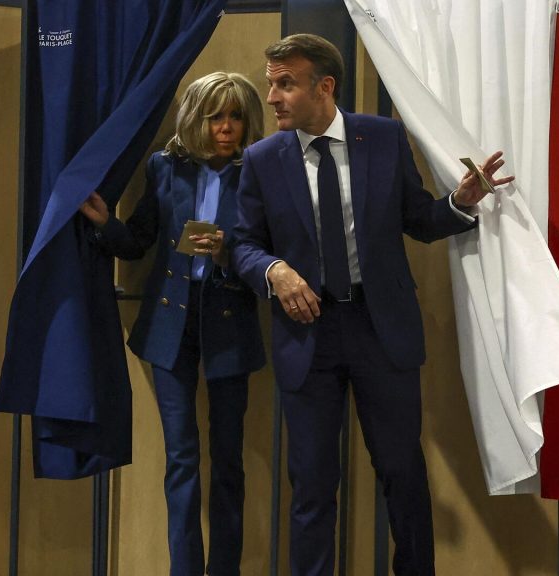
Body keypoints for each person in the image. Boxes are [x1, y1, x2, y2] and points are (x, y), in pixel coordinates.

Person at [230, 34, 514, 575]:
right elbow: (244, 243)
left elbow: (418, 219)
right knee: (312, 485)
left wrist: (459, 203)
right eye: (271, 83)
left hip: (380, 329)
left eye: (285, 84)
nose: (271, 97)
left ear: (325, 86)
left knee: (402, 474)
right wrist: (275, 270)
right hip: (307, 334)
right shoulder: (263, 159)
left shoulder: (382, 138)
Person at [79, 71, 267, 576]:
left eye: (235, 116)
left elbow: (274, 251)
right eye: (215, 116)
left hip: (230, 316)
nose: (225, 127)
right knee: (182, 457)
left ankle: (224, 569)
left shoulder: (260, 171)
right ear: (196, 120)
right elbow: (138, 241)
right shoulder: (165, 167)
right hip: (170, 321)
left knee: (228, 459)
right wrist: (105, 224)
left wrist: (227, 251)